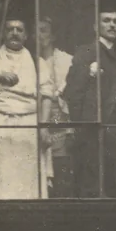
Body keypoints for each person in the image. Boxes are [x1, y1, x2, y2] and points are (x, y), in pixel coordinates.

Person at [64, 9, 116, 198]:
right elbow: (73, 92)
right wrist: (81, 125)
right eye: (106, 21)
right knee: (91, 184)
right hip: (92, 129)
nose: (112, 25)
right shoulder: (87, 52)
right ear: (96, 26)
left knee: (112, 181)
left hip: (114, 129)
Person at [0, 18, 40, 198]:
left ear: (26, 35)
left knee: (25, 175)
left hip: (28, 122)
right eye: (10, 29)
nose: (14, 33)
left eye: (19, 30)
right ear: (3, 34)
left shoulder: (37, 62)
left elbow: (45, 95)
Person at [36, 18, 73, 198]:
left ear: (53, 36)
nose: (39, 35)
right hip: (37, 118)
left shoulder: (65, 60)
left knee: (59, 164)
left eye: (43, 30)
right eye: (36, 31)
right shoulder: (31, 60)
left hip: (58, 120)